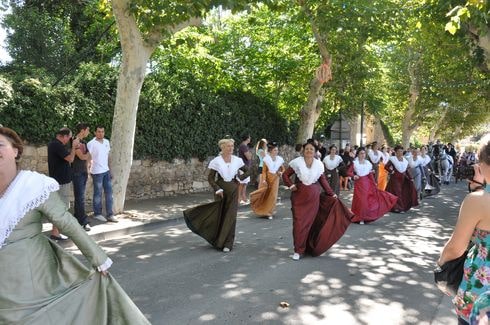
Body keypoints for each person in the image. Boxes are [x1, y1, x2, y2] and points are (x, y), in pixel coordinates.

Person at [0, 127, 150, 324]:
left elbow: (66, 221)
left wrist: (98, 258)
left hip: (29, 278)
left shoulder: (34, 186)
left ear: (15, 151)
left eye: (0, 145)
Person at [437, 136, 490, 325]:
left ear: (483, 164)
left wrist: (441, 266)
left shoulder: (478, 200)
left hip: (481, 293)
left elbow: (456, 248)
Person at [282, 139, 353, 261]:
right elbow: (285, 175)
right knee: (299, 224)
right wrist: (291, 185)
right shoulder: (296, 163)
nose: (309, 151)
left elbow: (323, 181)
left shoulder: (319, 165)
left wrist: (331, 194)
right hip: (299, 198)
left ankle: (307, 247)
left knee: (310, 224)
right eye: (307, 149)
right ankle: (298, 250)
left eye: (311, 149)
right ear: (303, 151)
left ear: (315, 152)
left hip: (313, 199)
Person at [184, 138, 250, 252]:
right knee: (220, 214)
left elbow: (248, 171)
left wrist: (240, 178)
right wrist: (217, 189)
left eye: (232, 146)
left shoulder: (237, 160)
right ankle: (218, 239)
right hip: (221, 191)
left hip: (233, 189)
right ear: (222, 147)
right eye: (228, 146)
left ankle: (228, 243)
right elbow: (210, 178)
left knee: (231, 215)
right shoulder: (216, 161)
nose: (231, 148)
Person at [47, 127, 80, 240]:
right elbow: (70, 158)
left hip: (60, 181)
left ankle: (56, 231)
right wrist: (74, 147)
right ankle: (55, 233)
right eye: (69, 138)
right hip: (60, 181)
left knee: (60, 206)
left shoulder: (55, 145)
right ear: (64, 136)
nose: (69, 140)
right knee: (61, 207)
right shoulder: (56, 145)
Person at [351, 147, 397, 224]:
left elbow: (370, 174)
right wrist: (353, 176)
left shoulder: (368, 163)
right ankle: (359, 217)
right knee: (360, 200)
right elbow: (348, 172)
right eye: (361, 153)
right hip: (359, 184)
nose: (363, 155)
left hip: (368, 183)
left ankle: (365, 216)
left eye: (364, 153)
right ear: (358, 154)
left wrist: (374, 183)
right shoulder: (354, 163)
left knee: (367, 200)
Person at [87, 126, 117, 223]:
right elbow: (88, 158)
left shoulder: (107, 142)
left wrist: (110, 170)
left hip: (106, 171)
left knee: (109, 194)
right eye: (99, 132)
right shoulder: (91, 143)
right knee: (98, 194)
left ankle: (110, 214)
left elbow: (107, 157)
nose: (101, 133)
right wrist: (87, 171)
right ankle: (97, 214)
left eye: (102, 132)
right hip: (96, 172)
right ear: (95, 132)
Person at [250, 142, 285, 219]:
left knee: (273, 195)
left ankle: (270, 212)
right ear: (271, 151)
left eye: (277, 150)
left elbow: (283, 169)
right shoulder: (266, 159)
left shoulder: (279, 159)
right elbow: (264, 171)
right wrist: (264, 180)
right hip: (267, 179)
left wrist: (281, 172)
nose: (277, 151)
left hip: (275, 178)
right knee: (266, 194)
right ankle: (263, 210)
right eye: (275, 150)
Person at [384, 145, 419, 213]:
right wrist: (392, 171)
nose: (401, 152)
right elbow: (386, 167)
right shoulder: (393, 159)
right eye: (399, 151)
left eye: (401, 151)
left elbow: (406, 170)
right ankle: (399, 208)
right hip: (395, 179)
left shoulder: (405, 160)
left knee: (401, 192)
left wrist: (410, 178)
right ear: (396, 152)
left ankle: (394, 207)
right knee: (397, 193)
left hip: (403, 179)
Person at [72, 123, 91, 231]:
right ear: (82, 130)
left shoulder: (84, 142)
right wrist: (88, 155)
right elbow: (82, 156)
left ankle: (77, 217)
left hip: (83, 172)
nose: (89, 132)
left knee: (80, 197)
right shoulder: (75, 141)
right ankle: (83, 221)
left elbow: (88, 157)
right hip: (77, 172)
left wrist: (88, 171)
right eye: (87, 130)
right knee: (80, 198)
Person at [237, 134, 252, 204]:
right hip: (243, 168)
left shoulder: (245, 146)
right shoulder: (243, 146)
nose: (250, 138)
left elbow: (249, 156)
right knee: (241, 183)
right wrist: (250, 154)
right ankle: (239, 198)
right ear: (247, 138)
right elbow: (249, 157)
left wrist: (250, 154)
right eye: (249, 137)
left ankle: (243, 197)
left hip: (246, 167)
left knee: (245, 183)